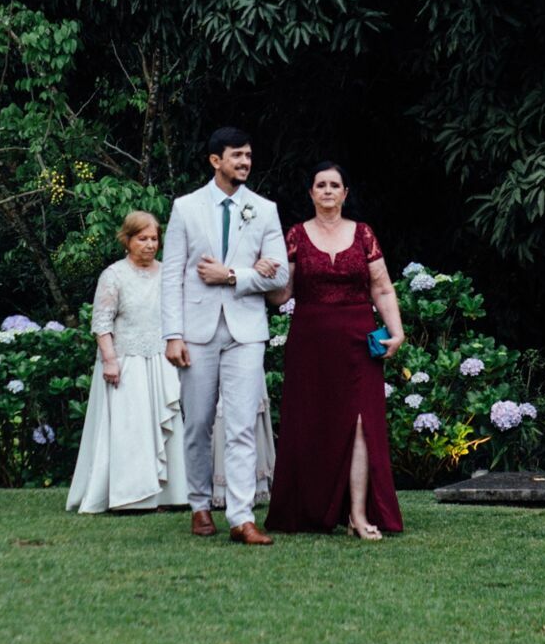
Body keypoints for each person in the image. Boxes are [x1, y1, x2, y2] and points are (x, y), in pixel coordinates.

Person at [264, 161, 406, 539]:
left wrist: (397, 332)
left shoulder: (363, 234)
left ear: (345, 193)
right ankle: (312, 508)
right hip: (309, 342)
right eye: (320, 185)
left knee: (361, 423)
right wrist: (264, 272)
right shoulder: (295, 235)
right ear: (311, 194)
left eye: (334, 185)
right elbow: (281, 296)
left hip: (358, 340)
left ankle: (358, 515)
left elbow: (383, 288)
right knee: (311, 423)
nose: (327, 191)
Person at [162, 127, 289, 544]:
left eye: (249, 156)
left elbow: (282, 274)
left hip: (247, 330)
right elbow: (172, 276)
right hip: (196, 332)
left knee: (240, 425)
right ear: (215, 160)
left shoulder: (264, 209)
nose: (245, 162)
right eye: (237, 156)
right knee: (197, 423)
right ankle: (200, 506)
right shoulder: (185, 208)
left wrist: (233, 275)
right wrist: (172, 335)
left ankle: (241, 517)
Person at [66, 211, 189, 513]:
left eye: (154, 239)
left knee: (165, 424)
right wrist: (110, 359)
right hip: (125, 360)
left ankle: (169, 495)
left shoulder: (167, 273)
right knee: (131, 428)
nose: (149, 245)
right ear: (127, 239)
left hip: (161, 359)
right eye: (142, 239)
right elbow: (102, 321)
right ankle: (131, 496)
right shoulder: (114, 275)